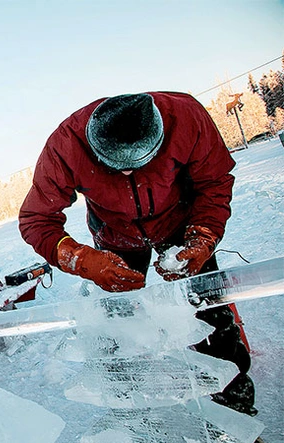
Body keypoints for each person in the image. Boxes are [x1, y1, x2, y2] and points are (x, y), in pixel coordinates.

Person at [19, 92, 256, 416]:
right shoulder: (66, 145)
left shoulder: (186, 118)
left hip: (181, 221)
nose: (129, 175)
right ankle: (129, 413)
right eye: (117, 168)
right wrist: (83, 260)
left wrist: (202, 237)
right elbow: (36, 218)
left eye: (139, 165)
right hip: (115, 237)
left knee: (209, 312)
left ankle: (234, 404)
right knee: (117, 324)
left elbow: (214, 182)